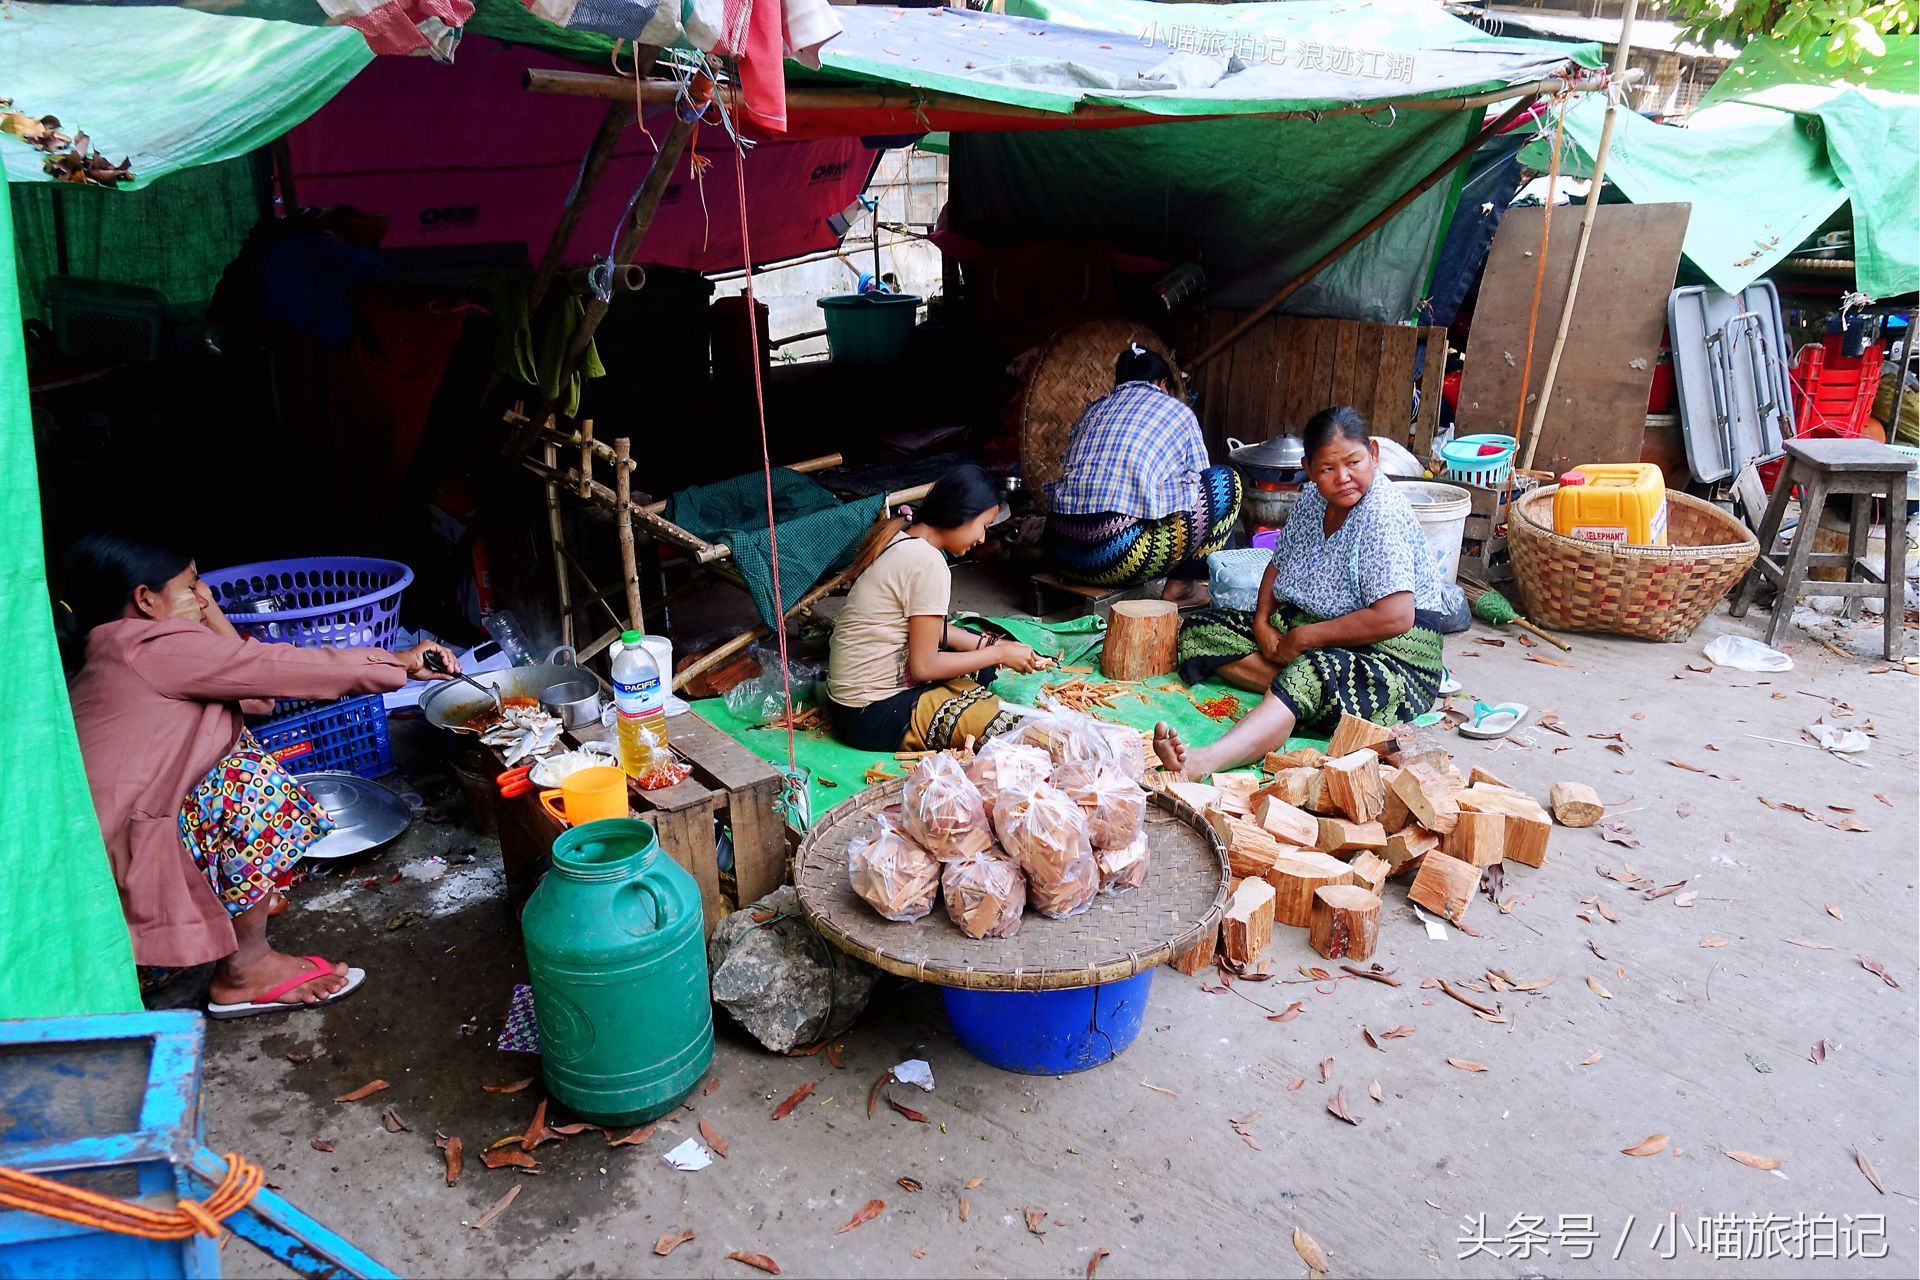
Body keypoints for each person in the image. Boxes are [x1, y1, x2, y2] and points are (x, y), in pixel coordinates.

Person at [62, 533, 460, 1016]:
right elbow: (272, 666)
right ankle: (245, 970)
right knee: (245, 780)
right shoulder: (145, 647)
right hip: (121, 895)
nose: (205, 596)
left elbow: (256, 695)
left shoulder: (118, 650)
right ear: (145, 600)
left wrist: (205, 609)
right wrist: (397, 662)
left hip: (115, 906)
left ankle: (211, 955)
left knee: (233, 739)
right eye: (191, 588)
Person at [1156, 406, 1447, 777]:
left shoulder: (1382, 514)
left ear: (1373, 454)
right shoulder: (1311, 501)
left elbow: (1396, 616)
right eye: (1327, 469)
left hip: (1392, 664)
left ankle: (1203, 761)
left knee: (1310, 673)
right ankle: (1297, 700)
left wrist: (1306, 638)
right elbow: (1277, 565)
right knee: (1201, 630)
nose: (1343, 478)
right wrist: (1262, 623)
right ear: (1308, 469)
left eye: (1354, 462)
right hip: (1312, 632)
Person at [826, 465, 1049, 752]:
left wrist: (987, 644)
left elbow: (924, 628)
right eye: (983, 525)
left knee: (978, 660)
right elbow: (923, 667)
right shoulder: (928, 562)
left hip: (847, 705)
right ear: (962, 514)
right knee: (1003, 727)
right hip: (868, 714)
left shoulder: (903, 537)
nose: (982, 539)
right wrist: (997, 652)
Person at [1043, 344, 1242, 603]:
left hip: (1059, 549)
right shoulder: (1178, 412)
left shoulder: (1093, 410)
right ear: (1162, 384)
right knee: (1225, 483)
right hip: (1110, 557)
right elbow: (1199, 484)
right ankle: (1181, 587)